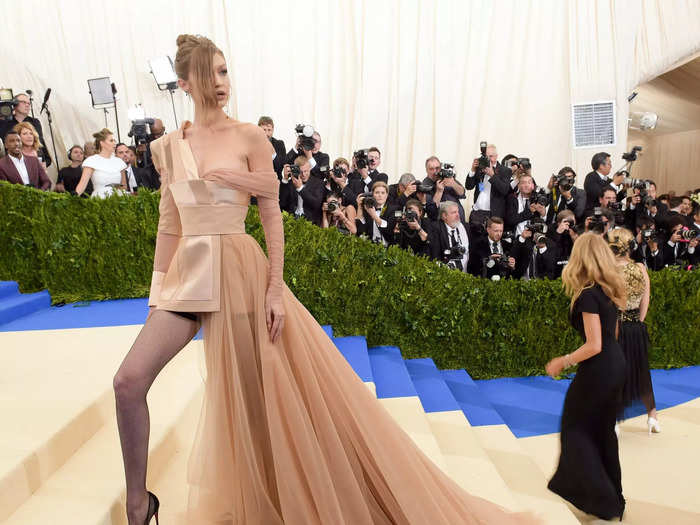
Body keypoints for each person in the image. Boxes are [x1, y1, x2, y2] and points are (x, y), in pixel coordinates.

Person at [113, 34, 537, 525]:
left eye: (225, 70)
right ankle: (138, 504)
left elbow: (271, 217)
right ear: (185, 83)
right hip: (190, 274)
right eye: (210, 73)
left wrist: (274, 288)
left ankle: (278, 502)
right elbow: (169, 225)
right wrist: (155, 297)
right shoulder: (168, 147)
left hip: (242, 273)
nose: (221, 83)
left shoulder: (250, 137)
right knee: (128, 382)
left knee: (259, 404)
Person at [545, 233, 627, 521]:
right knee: (602, 432)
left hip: (599, 367)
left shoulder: (589, 295)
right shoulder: (608, 291)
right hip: (615, 365)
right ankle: (614, 499)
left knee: (576, 429)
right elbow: (612, 336)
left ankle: (602, 500)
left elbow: (594, 345)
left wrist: (562, 361)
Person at [606, 228, 660, 434]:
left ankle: (614, 420)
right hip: (636, 326)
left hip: (616, 327)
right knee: (641, 371)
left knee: (613, 372)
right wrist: (638, 321)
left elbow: (608, 302)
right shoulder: (640, 268)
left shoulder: (608, 271)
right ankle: (652, 417)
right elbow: (646, 299)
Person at [75, 129, 127, 198]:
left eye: (115, 140)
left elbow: (124, 186)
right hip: (99, 201)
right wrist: (72, 198)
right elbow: (82, 186)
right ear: (102, 143)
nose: (114, 143)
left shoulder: (119, 162)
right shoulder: (91, 161)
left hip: (118, 201)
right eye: (111, 140)